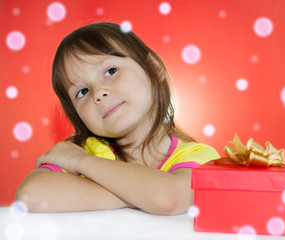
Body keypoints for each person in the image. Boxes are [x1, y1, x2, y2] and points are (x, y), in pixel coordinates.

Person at [16, 22, 220, 215]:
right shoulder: (86, 148)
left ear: (154, 68)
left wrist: (81, 162)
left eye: (111, 71)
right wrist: (141, 195)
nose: (98, 93)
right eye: (82, 92)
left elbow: (167, 199)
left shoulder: (199, 156)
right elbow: (30, 195)